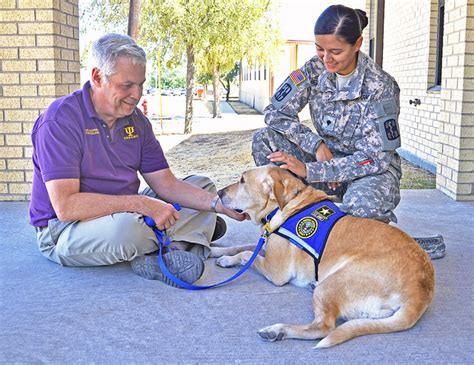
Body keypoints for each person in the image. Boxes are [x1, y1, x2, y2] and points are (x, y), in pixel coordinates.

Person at [29, 33, 246, 286]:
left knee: (204, 186)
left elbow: (165, 184)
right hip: (66, 229)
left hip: (128, 212)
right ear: (98, 77)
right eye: (127, 85)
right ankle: (188, 240)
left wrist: (216, 205)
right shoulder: (60, 121)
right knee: (129, 229)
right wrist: (141, 205)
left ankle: (172, 248)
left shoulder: (137, 122)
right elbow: (66, 207)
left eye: (141, 84)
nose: (137, 94)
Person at [252, 5, 445, 259]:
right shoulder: (313, 70)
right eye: (319, 48)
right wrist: (315, 145)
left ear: (357, 44)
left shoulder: (380, 86)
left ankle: (401, 246)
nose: (326, 59)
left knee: (360, 214)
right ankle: (294, 225)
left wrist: (313, 170)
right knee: (264, 139)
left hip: (366, 173)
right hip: (324, 162)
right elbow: (274, 113)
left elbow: (376, 158)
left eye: (336, 51)